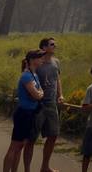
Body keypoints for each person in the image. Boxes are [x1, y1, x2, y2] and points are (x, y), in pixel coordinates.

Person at [3, 49, 46, 172]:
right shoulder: (26, 76)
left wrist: (38, 93)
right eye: (40, 58)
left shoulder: (35, 75)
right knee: (14, 146)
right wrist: (38, 94)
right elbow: (37, 95)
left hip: (31, 113)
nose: (42, 60)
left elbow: (40, 92)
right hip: (23, 113)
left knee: (20, 146)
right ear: (32, 60)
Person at [34, 36, 63, 172]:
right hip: (38, 104)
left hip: (51, 103)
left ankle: (45, 167)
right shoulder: (37, 62)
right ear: (44, 47)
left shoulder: (56, 62)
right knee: (31, 137)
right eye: (52, 44)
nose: (54, 46)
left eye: (54, 44)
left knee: (53, 134)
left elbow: (57, 79)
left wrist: (60, 94)